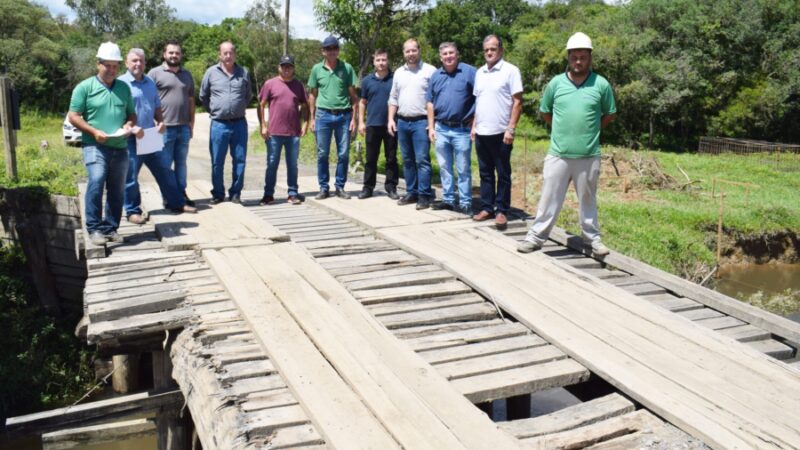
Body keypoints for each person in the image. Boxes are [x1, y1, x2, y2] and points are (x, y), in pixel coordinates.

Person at [518, 32, 616, 256]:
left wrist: (591, 130)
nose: (578, 61)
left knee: (588, 199)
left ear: (590, 58)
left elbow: (609, 114)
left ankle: (593, 240)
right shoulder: (556, 83)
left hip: (588, 155)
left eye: (583, 57)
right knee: (549, 197)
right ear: (568, 58)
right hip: (558, 154)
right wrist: (562, 131)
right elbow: (545, 113)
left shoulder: (601, 84)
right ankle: (535, 238)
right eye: (574, 57)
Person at [68, 42, 136, 245]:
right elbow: (73, 116)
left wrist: (129, 124)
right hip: (94, 145)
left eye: (115, 66)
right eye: (108, 65)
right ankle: (94, 228)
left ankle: (110, 227)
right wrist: (93, 131)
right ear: (98, 64)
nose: (112, 70)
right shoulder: (85, 87)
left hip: (120, 146)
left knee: (117, 188)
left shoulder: (124, 88)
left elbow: (131, 113)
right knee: (97, 180)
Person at [119, 48, 197, 223]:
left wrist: (160, 121)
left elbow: (156, 106)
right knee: (131, 176)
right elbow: (116, 114)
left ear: (145, 63)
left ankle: (176, 203)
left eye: (141, 61)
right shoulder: (120, 84)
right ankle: (132, 211)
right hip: (130, 138)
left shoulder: (149, 82)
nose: (138, 64)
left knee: (165, 171)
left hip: (149, 135)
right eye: (134, 61)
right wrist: (130, 129)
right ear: (126, 63)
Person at [471, 34, 523, 229]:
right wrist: (474, 126)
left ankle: (501, 210)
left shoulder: (511, 71)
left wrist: (511, 128)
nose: (489, 53)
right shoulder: (480, 72)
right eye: (486, 50)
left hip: (502, 132)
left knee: (503, 173)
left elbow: (518, 102)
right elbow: (479, 101)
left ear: (500, 50)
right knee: (485, 173)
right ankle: (487, 207)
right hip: (482, 131)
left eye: (493, 49)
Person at [426, 42, 477, 215]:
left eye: (451, 53)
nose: (448, 56)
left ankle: (465, 202)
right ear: (440, 57)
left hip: (462, 129)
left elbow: (480, 97)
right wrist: (431, 127)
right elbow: (430, 102)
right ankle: (448, 200)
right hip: (441, 128)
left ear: (457, 54)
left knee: (463, 168)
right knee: (445, 167)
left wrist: (475, 122)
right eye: (445, 54)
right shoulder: (436, 75)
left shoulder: (469, 72)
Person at [200, 41, 253, 204]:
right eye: (225, 53)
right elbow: (203, 96)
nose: (228, 56)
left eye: (231, 52)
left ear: (235, 54)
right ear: (219, 54)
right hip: (218, 125)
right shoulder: (210, 73)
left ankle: (236, 193)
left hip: (239, 124)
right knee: (217, 161)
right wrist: (216, 111)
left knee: (240, 159)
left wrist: (236, 108)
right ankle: (218, 193)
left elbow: (248, 96)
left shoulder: (244, 72)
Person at [387, 38, 437, 209]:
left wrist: (432, 123)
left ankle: (424, 195)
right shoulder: (399, 73)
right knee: (407, 160)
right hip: (402, 121)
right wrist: (390, 119)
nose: (411, 54)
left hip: (421, 122)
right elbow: (393, 98)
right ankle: (411, 192)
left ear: (419, 50)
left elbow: (435, 99)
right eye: (407, 51)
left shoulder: (430, 71)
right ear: (403, 53)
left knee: (422, 160)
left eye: (413, 50)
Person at [307, 36, 359, 199]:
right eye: (328, 49)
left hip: (343, 116)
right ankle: (323, 187)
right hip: (323, 115)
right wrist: (312, 118)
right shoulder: (316, 69)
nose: (331, 51)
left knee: (343, 153)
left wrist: (354, 119)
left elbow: (354, 96)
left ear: (338, 50)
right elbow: (312, 95)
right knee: (323, 153)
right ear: (323, 51)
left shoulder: (347, 68)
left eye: (334, 48)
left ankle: (340, 186)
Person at [147, 39, 196, 206]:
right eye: (171, 52)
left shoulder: (187, 74)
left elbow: (190, 100)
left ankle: (181, 193)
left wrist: (191, 123)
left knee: (181, 163)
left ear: (181, 55)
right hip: (163, 128)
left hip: (183, 127)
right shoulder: (154, 74)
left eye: (177, 53)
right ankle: (168, 196)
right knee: (164, 165)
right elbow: (148, 100)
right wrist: (153, 122)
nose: (174, 55)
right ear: (164, 54)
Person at [257, 55, 309, 205]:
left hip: (293, 134)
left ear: (293, 68)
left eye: (289, 66)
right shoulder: (270, 84)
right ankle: (268, 195)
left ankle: (292, 193)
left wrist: (305, 123)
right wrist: (263, 126)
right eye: (284, 66)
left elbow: (305, 106)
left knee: (292, 164)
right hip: (273, 133)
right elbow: (261, 104)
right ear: (278, 67)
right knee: (272, 164)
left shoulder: (298, 85)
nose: (286, 69)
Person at [357, 49, 399, 200]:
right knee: (370, 159)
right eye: (378, 60)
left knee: (391, 158)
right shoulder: (367, 81)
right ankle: (368, 187)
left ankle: (391, 187)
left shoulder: (396, 79)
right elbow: (362, 103)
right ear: (374, 62)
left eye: (384, 60)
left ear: (388, 61)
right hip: (372, 124)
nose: (381, 63)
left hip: (391, 124)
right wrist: (361, 122)